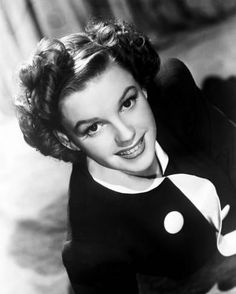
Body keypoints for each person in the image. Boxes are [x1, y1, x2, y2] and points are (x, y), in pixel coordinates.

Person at [15, 19, 236, 293]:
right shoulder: (90, 248)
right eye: (94, 127)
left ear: (143, 87)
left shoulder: (174, 91)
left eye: (127, 103)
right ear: (65, 139)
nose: (126, 134)